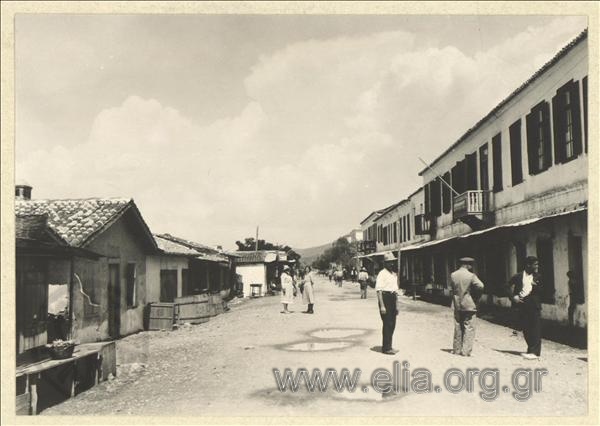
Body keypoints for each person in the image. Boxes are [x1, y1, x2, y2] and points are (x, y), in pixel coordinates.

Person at [508, 256, 543, 359]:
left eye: (537, 264)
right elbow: (506, 286)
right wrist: (513, 297)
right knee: (526, 328)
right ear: (528, 265)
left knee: (535, 328)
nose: (537, 266)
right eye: (535, 264)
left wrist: (536, 286)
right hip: (522, 305)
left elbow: (543, 291)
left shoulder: (538, 276)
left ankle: (535, 352)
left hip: (534, 306)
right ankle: (530, 349)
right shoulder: (518, 276)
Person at [449, 257, 485, 357]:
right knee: (469, 326)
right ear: (467, 265)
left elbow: (453, 288)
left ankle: (456, 349)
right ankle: (466, 351)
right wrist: (474, 295)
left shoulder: (453, 274)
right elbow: (481, 286)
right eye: (471, 265)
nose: (471, 267)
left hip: (457, 303)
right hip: (468, 303)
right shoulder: (471, 275)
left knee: (458, 326)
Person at [376, 253, 401, 355]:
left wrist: (397, 305)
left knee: (393, 324)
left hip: (392, 298)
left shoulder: (393, 274)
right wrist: (382, 305)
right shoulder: (382, 274)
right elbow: (379, 291)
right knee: (387, 323)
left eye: (392, 262)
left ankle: (389, 346)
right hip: (385, 298)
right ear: (385, 263)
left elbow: (395, 291)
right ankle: (386, 348)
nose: (391, 264)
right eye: (389, 262)